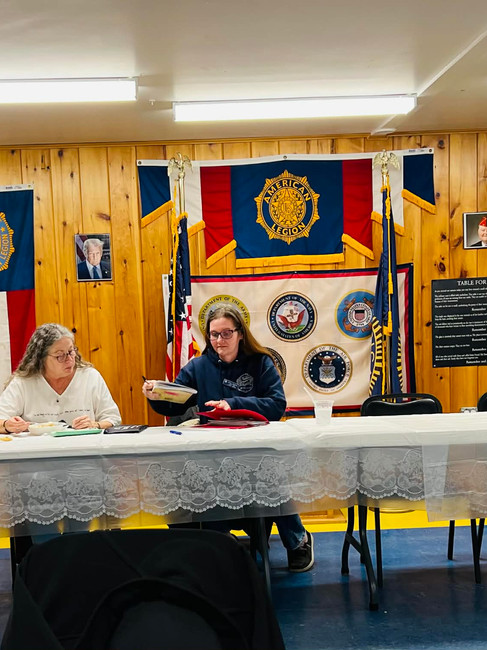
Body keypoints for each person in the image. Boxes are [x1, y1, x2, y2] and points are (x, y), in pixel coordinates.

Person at [142, 305, 314, 572]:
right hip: (211, 453)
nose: (219, 341)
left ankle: (298, 540)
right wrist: (158, 397)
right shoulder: (198, 367)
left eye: (226, 334)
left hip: (255, 450)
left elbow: (276, 404)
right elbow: (175, 404)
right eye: (213, 335)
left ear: (240, 334)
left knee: (273, 479)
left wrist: (231, 404)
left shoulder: (260, 362)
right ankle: (220, 539)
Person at [0, 323, 121, 433]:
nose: (69, 359)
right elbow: (1, 418)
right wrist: (7, 425)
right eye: (60, 356)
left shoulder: (90, 377)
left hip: (83, 451)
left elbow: (113, 418)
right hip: (37, 452)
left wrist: (95, 425)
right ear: (41, 359)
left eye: (71, 351)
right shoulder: (23, 382)